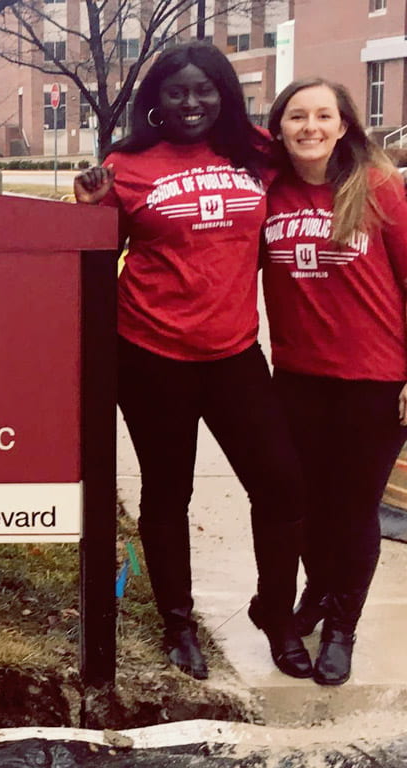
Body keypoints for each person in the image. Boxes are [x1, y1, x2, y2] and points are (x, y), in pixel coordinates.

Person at [73, 41, 311, 681]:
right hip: (150, 353)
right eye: (176, 91)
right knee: (167, 491)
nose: (191, 102)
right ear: (157, 99)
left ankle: (276, 612)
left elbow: (327, 168)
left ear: (224, 94)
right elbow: (99, 255)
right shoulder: (128, 164)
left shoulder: (258, 155)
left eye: (204, 89)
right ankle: (178, 621)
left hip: (234, 352)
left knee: (281, 485)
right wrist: (91, 207)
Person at [261, 78, 407, 686]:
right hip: (297, 379)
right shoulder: (268, 191)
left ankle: (342, 627)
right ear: (278, 127)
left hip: (375, 380)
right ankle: (317, 596)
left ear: (344, 125)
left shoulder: (377, 188)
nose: (311, 127)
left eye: (324, 115)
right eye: (297, 116)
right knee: (306, 506)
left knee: (352, 511)